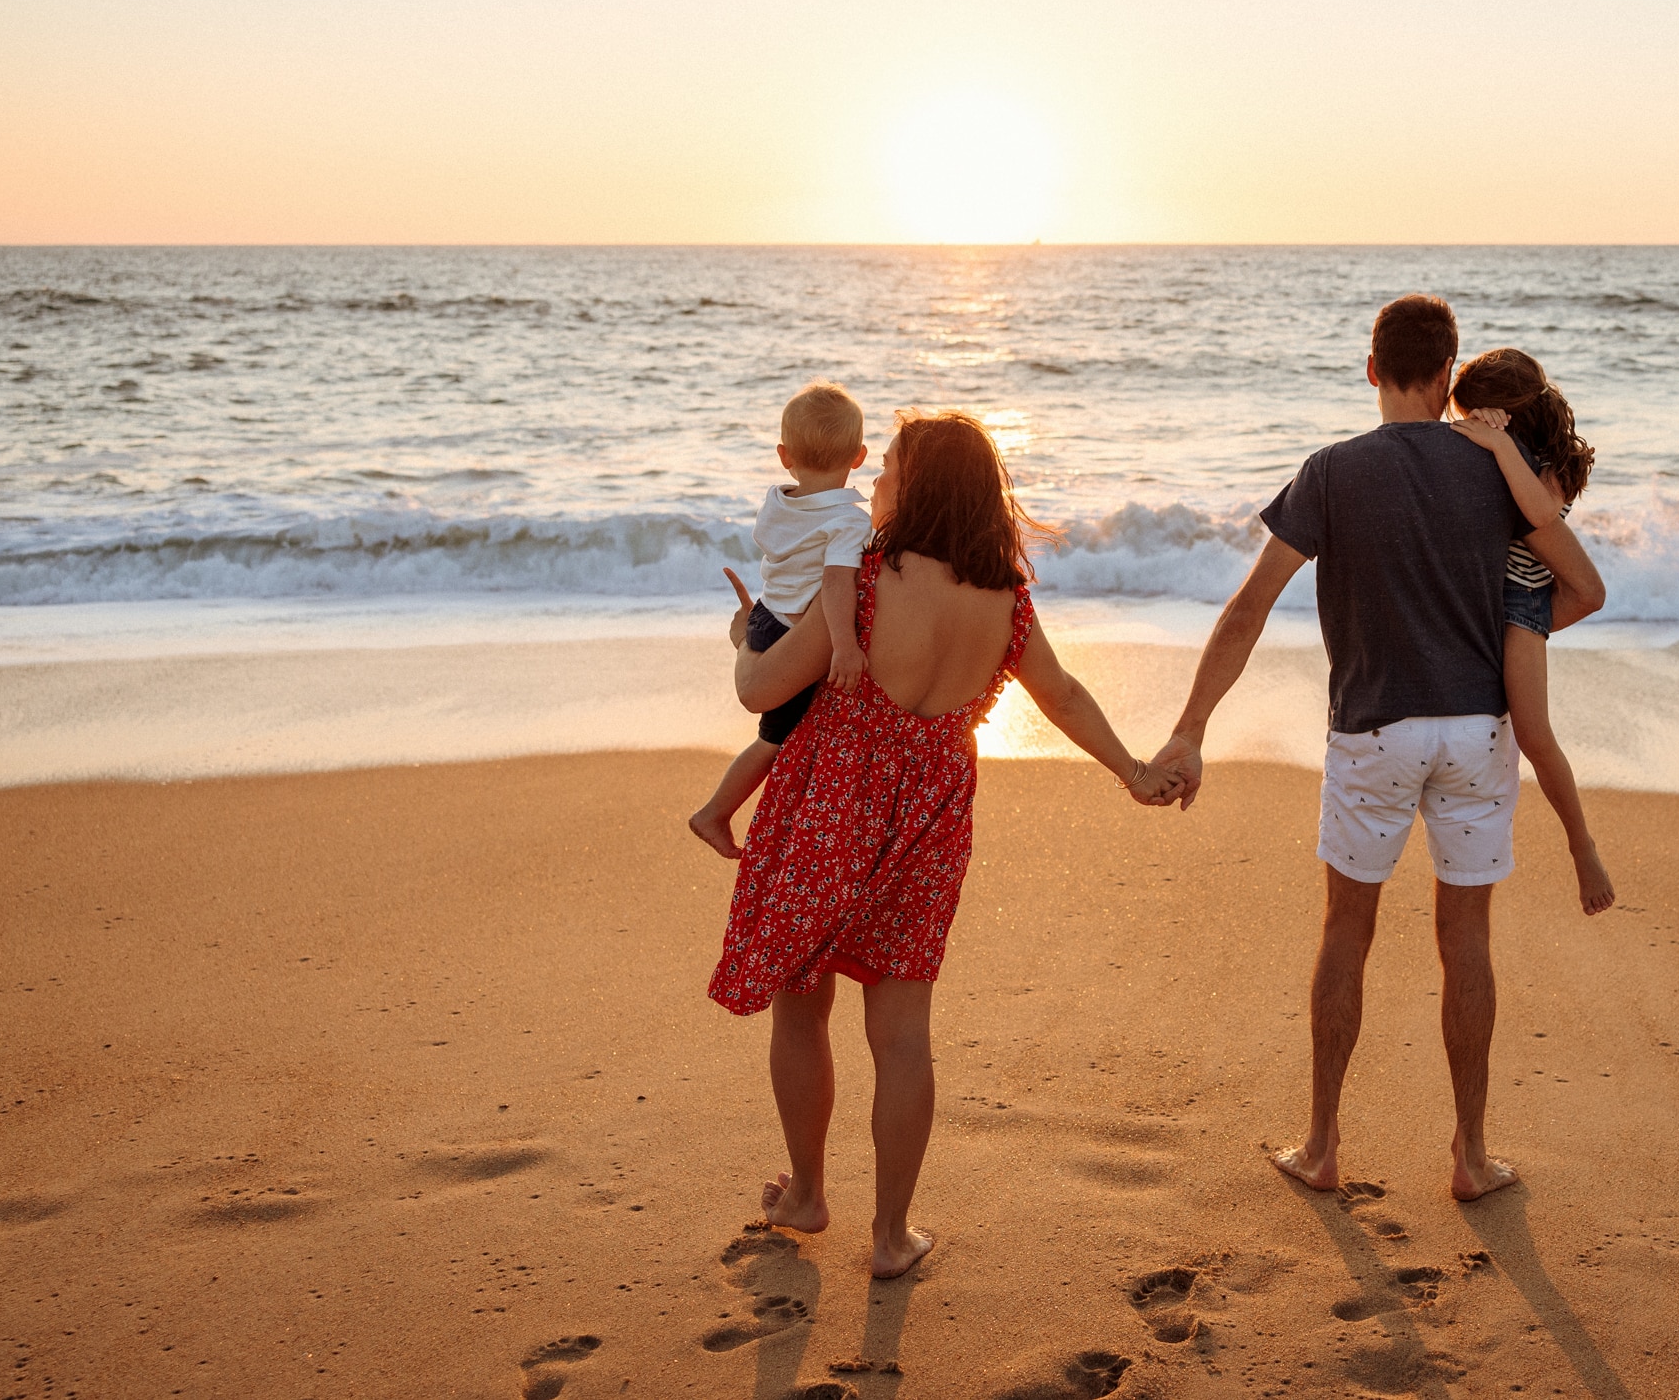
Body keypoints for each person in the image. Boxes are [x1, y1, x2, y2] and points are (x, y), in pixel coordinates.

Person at [1147, 295, 1606, 1202]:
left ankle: (1321, 1146)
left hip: (1374, 731)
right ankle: (1471, 1157)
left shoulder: (1331, 472)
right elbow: (1573, 576)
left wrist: (1192, 726)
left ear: (1371, 370)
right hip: (1477, 733)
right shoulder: (1496, 468)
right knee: (1465, 936)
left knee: (1346, 931)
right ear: (1448, 378)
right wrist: (1512, 636)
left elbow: (1249, 608)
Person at [706, 409, 1182, 1279]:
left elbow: (761, 690)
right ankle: (891, 1236)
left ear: (915, 484)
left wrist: (746, 638)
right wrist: (1132, 770)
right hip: (929, 820)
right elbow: (1065, 695)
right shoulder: (1006, 596)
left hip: (828, 806)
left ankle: (808, 1190)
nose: (875, 480)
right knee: (902, 1033)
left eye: (886, 465)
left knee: (802, 1004)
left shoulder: (858, 583)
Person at [1447, 349, 1617, 916]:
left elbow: (1540, 512)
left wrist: (1496, 444)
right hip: (1480, 590)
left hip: (1521, 602)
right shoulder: (1509, 445)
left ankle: (1582, 846)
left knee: (1534, 733)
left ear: (1507, 414)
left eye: (1478, 414)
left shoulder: (1550, 463)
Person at [687, 380, 873, 858]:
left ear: (783, 454)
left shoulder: (776, 501)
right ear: (859, 456)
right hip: (793, 631)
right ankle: (714, 813)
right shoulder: (850, 520)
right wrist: (846, 645)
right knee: (772, 742)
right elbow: (835, 585)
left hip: (766, 616)